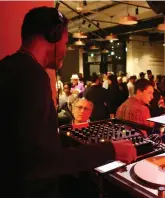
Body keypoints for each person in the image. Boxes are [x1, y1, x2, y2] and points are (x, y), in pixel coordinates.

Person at [0, 7, 136, 198]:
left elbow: (25, 145)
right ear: (53, 36)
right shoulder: (32, 76)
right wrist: (110, 150)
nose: (64, 48)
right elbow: (40, 162)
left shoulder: (8, 68)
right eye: (65, 41)